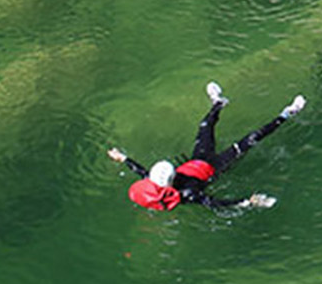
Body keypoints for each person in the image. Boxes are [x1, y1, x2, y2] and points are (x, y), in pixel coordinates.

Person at [108, 82, 306, 212]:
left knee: (205, 125)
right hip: (216, 167)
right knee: (253, 138)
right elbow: (216, 203)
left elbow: (140, 171)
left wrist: (122, 158)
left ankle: (219, 103)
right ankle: (287, 114)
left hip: (198, 159)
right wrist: (247, 201)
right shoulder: (188, 195)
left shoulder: (154, 184)